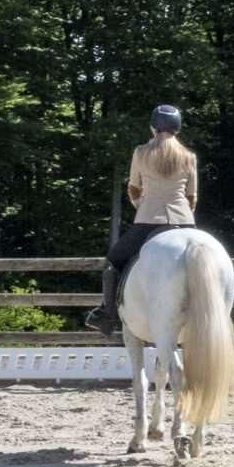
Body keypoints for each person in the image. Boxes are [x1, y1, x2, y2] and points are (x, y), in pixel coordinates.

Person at [86, 105, 199, 336]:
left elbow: (134, 190)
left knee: (113, 261)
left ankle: (108, 316)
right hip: (185, 221)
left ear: (152, 128)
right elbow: (192, 197)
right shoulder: (189, 157)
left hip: (149, 219)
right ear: (177, 130)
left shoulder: (141, 153)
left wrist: (142, 207)